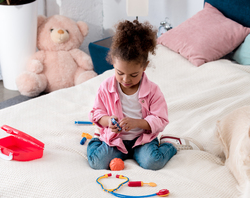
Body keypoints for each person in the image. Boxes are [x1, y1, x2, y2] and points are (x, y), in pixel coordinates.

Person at [87, 20, 202, 170]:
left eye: (134, 74)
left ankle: (170, 146)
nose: (126, 80)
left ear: (144, 67)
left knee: (152, 162)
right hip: (116, 139)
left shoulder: (153, 91)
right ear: (113, 63)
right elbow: (96, 113)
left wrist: (137, 123)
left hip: (142, 140)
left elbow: (161, 119)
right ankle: (97, 140)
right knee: (97, 163)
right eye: (120, 73)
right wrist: (108, 121)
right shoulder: (106, 87)